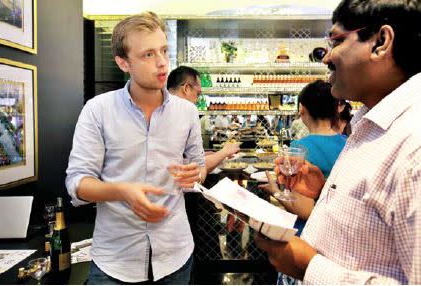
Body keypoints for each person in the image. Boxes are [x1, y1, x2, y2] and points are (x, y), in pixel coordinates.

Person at [256, 0, 421, 284]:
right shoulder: (371, 124)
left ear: (381, 42)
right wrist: (326, 195)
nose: (326, 58)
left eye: (336, 41)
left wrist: (307, 267)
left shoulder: (413, 145)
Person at [65, 12, 206, 284]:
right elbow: (77, 183)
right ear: (123, 62)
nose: (163, 62)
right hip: (115, 261)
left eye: (164, 50)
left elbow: (198, 168)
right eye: (148, 55)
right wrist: (122, 191)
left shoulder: (187, 112)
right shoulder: (98, 110)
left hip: (175, 255)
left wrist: (195, 174)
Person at [167, 66, 240, 173]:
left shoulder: (160, 108)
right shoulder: (188, 110)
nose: (197, 100)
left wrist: (204, 155)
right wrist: (225, 152)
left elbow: (179, 157)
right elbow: (197, 166)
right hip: (178, 185)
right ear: (186, 88)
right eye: (198, 94)